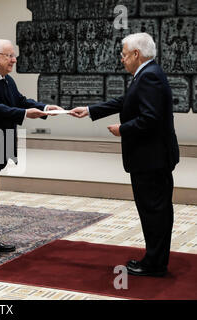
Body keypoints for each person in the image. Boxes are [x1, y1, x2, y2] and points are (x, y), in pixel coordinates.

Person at [70, 33, 179, 277]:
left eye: (124, 54)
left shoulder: (149, 77)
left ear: (136, 54)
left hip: (151, 159)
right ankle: (155, 259)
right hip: (153, 158)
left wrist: (123, 129)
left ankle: (155, 264)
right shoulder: (149, 74)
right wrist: (89, 110)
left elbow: (150, 118)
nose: (122, 59)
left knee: (154, 212)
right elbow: (126, 101)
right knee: (156, 211)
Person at [0, 39, 62, 259]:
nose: (14, 60)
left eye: (13, 56)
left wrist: (44, 107)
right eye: (9, 56)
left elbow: (19, 100)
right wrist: (26, 114)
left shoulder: (6, 80)